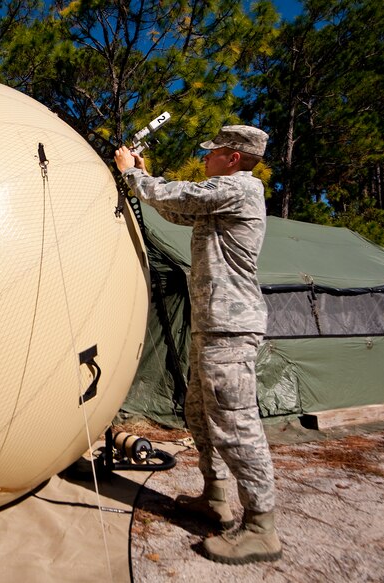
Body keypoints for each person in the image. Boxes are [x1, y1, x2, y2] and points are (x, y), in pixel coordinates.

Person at [114, 125, 282, 565]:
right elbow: (177, 212)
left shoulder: (240, 189)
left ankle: (262, 529)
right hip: (212, 325)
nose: (204, 157)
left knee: (235, 423)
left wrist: (133, 175)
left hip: (230, 327)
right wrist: (148, 177)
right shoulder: (222, 198)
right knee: (201, 414)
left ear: (232, 158)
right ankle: (216, 497)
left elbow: (181, 198)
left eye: (212, 153)